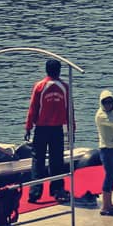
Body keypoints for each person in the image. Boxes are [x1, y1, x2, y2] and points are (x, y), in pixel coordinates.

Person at [24, 58, 72, 204]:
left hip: (41, 129)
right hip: (57, 129)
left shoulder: (39, 86)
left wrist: (28, 127)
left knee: (38, 160)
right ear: (59, 71)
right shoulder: (65, 87)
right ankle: (57, 190)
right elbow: (70, 109)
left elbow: (33, 108)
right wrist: (71, 129)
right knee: (57, 160)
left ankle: (35, 193)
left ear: (46, 70)